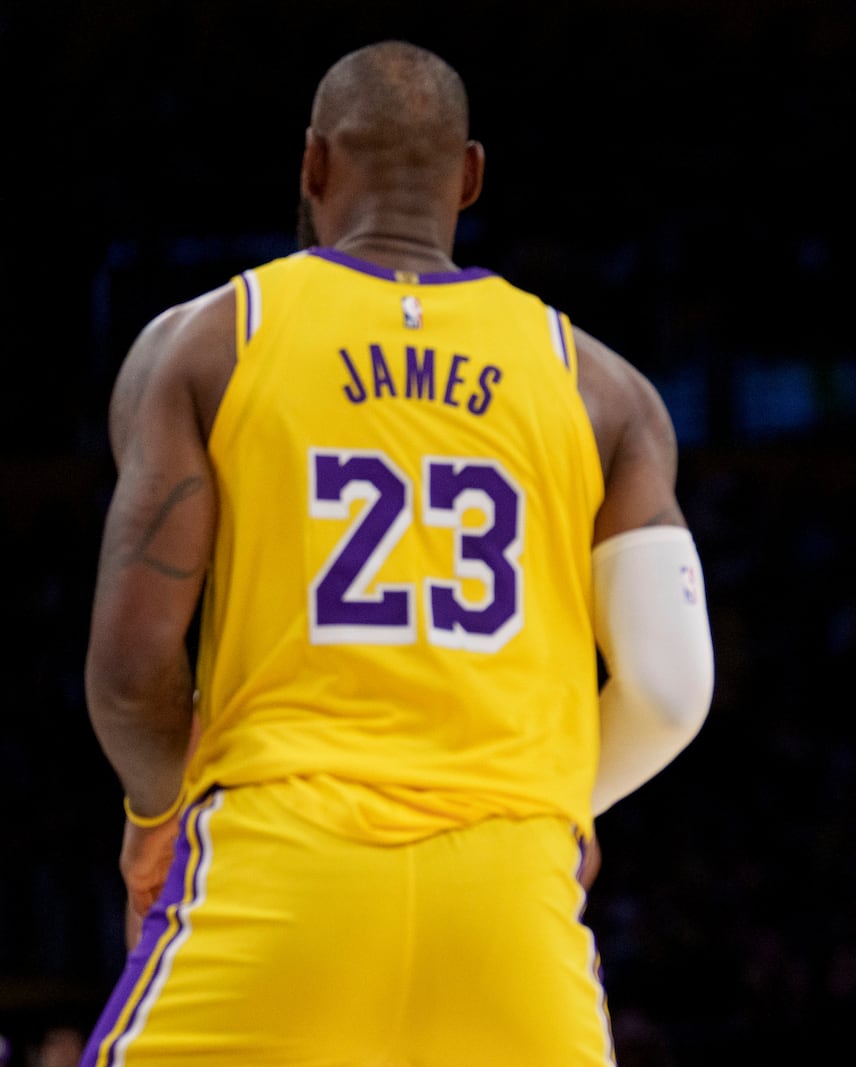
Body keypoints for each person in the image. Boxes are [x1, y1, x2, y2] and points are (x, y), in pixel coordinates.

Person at [79, 39, 713, 1066]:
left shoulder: (208, 341)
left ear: (312, 165)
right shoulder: (604, 387)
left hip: (279, 867)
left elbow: (132, 669)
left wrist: (158, 813)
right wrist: (543, 798)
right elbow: (674, 690)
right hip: (510, 899)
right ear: (469, 178)